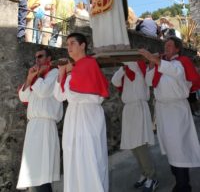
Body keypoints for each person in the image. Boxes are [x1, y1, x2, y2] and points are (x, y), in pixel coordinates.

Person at [139, 37, 200, 192]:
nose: (166, 47)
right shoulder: (161, 65)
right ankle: (179, 181)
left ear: (178, 49)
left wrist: (152, 58)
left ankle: (183, 185)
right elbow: (148, 82)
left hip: (176, 110)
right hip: (163, 110)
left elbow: (175, 71)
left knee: (179, 148)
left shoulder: (181, 62)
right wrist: (151, 65)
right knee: (170, 147)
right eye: (165, 45)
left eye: (170, 45)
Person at [53, 32, 109, 192]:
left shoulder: (89, 64)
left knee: (90, 159)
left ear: (83, 45)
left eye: (72, 43)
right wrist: (61, 73)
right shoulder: (74, 68)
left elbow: (73, 94)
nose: (68, 46)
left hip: (88, 117)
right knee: (73, 159)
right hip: (74, 118)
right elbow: (58, 96)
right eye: (67, 43)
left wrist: (69, 72)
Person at [17, 48, 63, 192]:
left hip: (45, 126)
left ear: (49, 59)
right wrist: (30, 78)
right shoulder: (38, 77)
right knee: (33, 171)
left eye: (40, 56)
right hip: (34, 127)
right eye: (35, 57)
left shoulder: (54, 73)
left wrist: (37, 76)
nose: (37, 60)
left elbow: (43, 91)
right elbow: (23, 97)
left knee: (41, 173)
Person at [111, 61, 158, 192]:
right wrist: (123, 70)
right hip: (128, 109)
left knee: (140, 144)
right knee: (133, 144)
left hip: (139, 107)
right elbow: (115, 81)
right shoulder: (125, 67)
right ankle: (144, 173)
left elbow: (148, 81)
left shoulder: (142, 65)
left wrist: (149, 67)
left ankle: (152, 177)